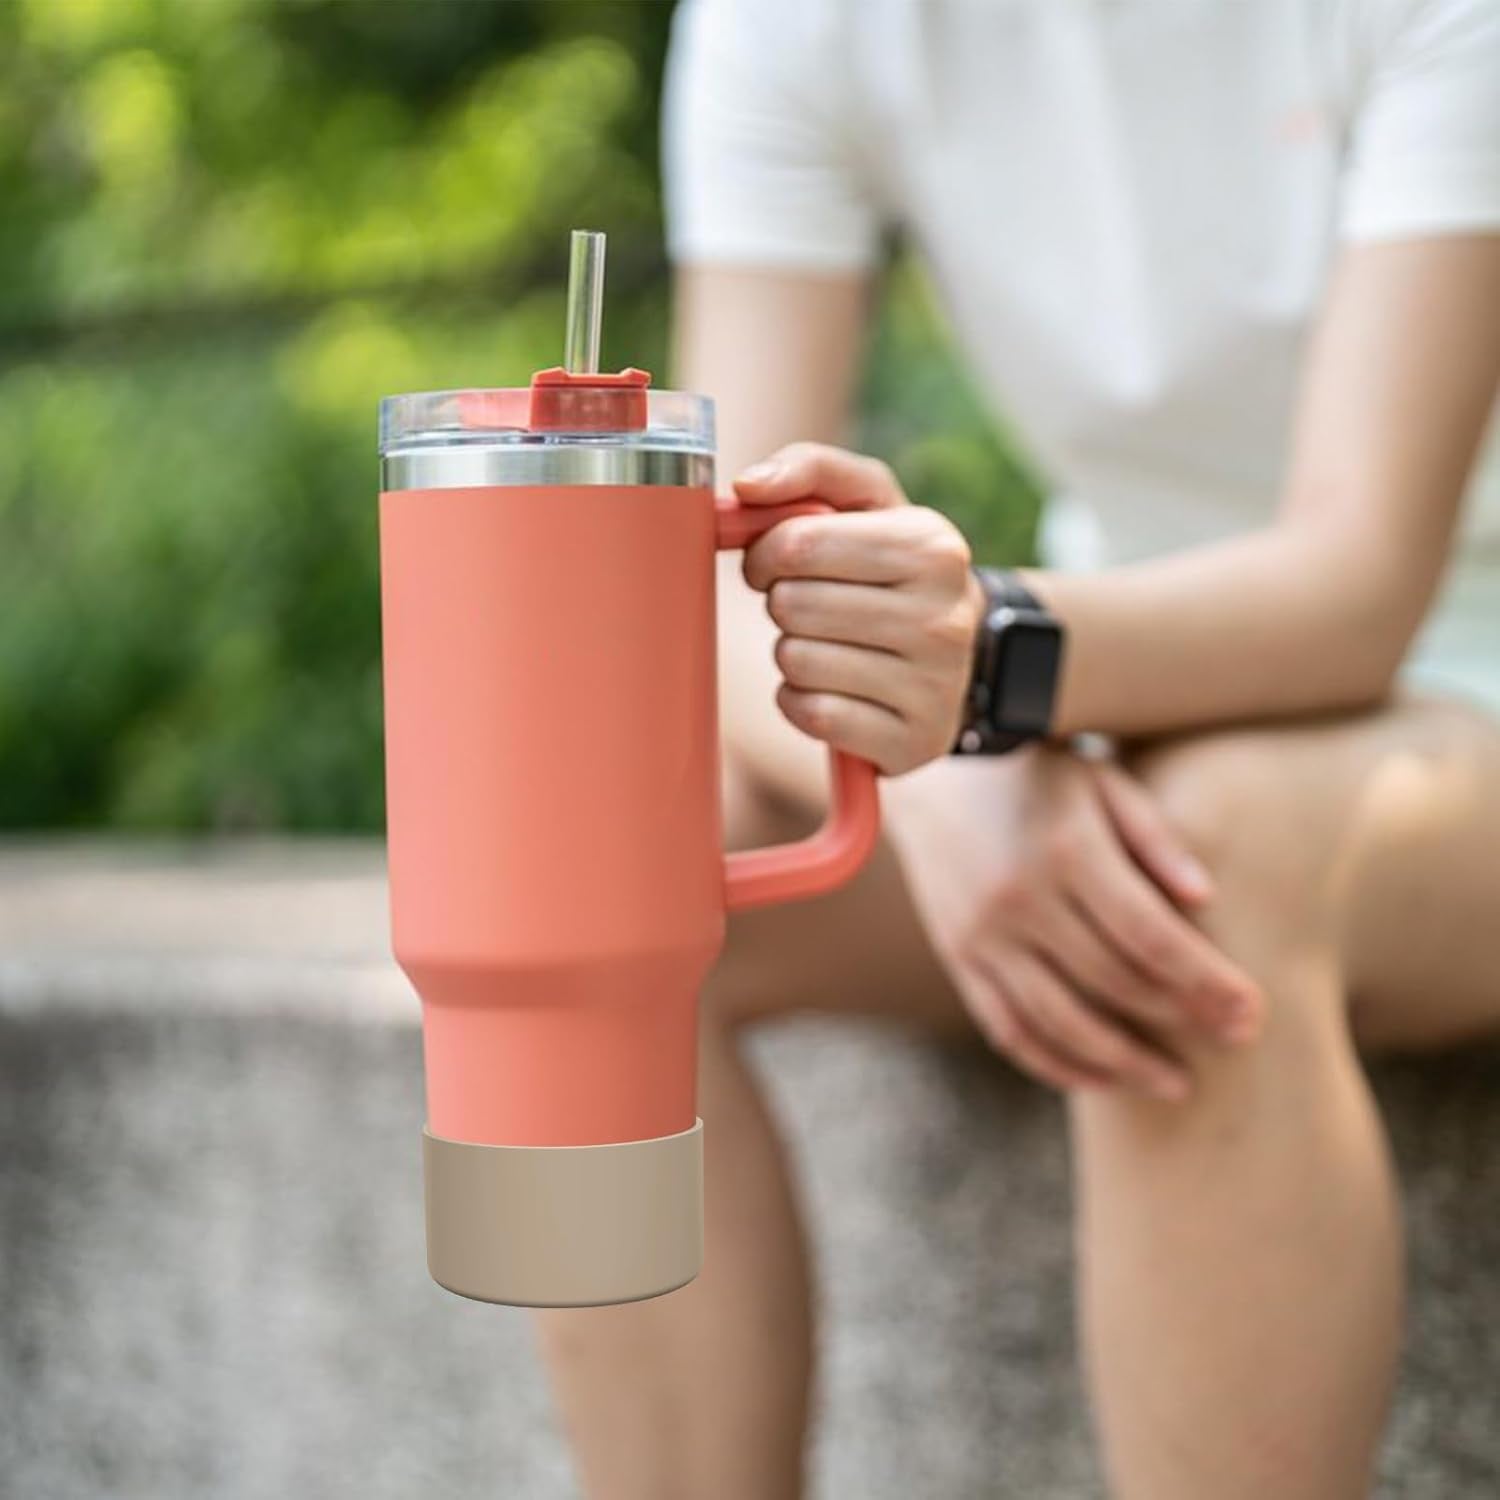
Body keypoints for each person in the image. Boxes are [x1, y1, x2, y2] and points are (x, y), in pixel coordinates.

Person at [537, 3, 1500, 1497]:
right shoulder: (786, 26)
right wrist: (939, 769)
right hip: (1109, 691)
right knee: (578, 871)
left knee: (1191, 874)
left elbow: (1360, 585)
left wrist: (985, 664)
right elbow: (701, 585)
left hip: (1451, 681)